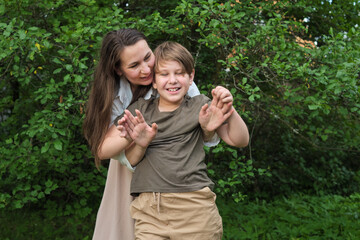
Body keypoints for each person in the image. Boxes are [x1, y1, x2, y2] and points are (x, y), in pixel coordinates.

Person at [82, 29, 221, 240]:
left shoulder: (174, 79)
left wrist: (208, 128)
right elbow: (102, 149)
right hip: (128, 168)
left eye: (147, 57)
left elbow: (205, 133)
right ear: (118, 70)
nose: (147, 68)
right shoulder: (114, 94)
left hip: (171, 172)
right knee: (125, 230)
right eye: (134, 65)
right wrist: (133, 134)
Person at [115, 41, 249, 239]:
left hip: (194, 208)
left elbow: (240, 140)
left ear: (191, 76)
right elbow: (131, 160)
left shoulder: (200, 106)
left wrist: (229, 108)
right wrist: (141, 144)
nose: (173, 80)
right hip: (150, 210)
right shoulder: (140, 110)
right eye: (164, 74)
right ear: (153, 80)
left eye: (179, 73)